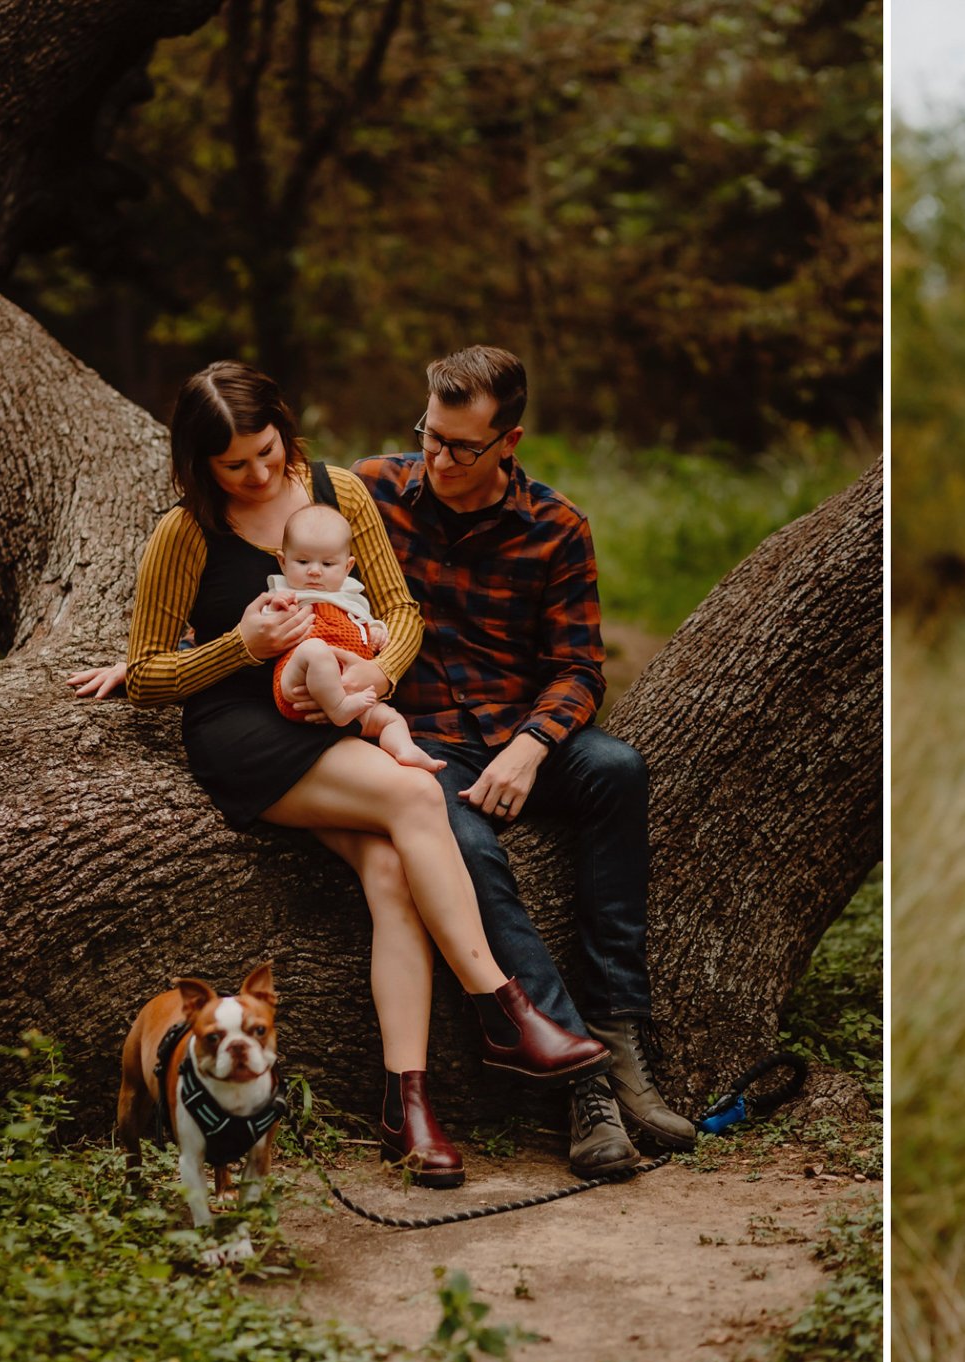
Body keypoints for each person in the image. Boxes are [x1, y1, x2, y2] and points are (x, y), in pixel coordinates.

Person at [106, 361, 609, 1189]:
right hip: (245, 733)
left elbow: (400, 610)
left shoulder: (339, 494)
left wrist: (378, 678)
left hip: (340, 708)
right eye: (234, 466)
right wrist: (241, 648)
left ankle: (406, 1109)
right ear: (201, 466)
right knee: (415, 791)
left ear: (283, 429)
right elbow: (151, 672)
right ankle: (503, 1009)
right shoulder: (185, 532)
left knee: (389, 869)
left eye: (266, 451)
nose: (258, 474)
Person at [341, 346, 694, 1170]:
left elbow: (578, 667)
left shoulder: (557, 526)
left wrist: (534, 746)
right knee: (463, 848)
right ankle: (584, 1085)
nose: (438, 459)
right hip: (421, 738)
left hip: (516, 725)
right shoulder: (371, 491)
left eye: (462, 447)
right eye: (429, 435)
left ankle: (620, 1032)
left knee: (616, 772)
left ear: (510, 441)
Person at [263, 503, 443, 774]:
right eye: (302, 562)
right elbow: (267, 626)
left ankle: (405, 749)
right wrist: (277, 609)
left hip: (351, 695)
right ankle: (338, 707)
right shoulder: (287, 595)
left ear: (347, 567)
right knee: (314, 648)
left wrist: (376, 631)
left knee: (390, 718)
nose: (314, 571)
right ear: (282, 561)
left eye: (327, 563)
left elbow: (362, 626)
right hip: (298, 689)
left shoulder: (350, 600)